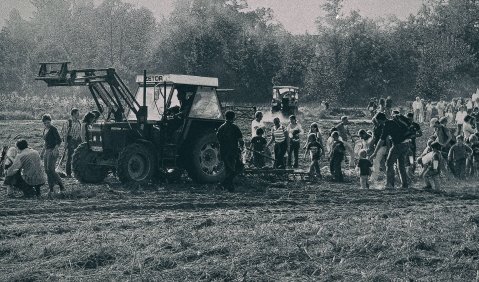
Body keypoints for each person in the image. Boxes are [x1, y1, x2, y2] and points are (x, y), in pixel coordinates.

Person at [369, 112, 409, 189]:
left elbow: (381, 141)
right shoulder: (394, 121)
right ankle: (405, 184)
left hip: (397, 145)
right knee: (401, 166)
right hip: (406, 144)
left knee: (389, 164)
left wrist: (374, 153)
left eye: (377, 121)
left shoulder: (387, 125)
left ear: (379, 120)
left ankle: (389, 184)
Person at [216, 111, 244, 192]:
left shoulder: (221, 128)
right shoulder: (234, 127)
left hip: (223, 151)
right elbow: (240, 140)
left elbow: (218, 140)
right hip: (232, 151)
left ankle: (229, 187)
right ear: (233, 117)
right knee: (238, 167)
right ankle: (223, 184)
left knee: (228, 169)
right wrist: (242, 147)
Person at [41, 114, 65, 195]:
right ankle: (51, 188)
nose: (47, 124)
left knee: (51, 169)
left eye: (48, 122)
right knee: (47, 170)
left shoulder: (53, 129)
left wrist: (55, 149)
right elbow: (45, 142)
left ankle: (61, 186)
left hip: (53, 150)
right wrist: (42, 152)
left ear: (50, 121)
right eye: (45, 123)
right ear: (43, 123)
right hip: (47, 150)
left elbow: (59, 140)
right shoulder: (44, 130)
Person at [61, 108, 82, 178]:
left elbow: (80, 133)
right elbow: (65, 134)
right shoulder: (68, 122)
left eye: (78, 114)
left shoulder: (79, 122)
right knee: (70, 157)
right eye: (77, 114)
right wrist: (65, 143)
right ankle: (68, 173)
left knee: (77, 157)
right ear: (73, 114)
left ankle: (75, 173)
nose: (78, 115)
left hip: (77, 141)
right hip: (71, 141)